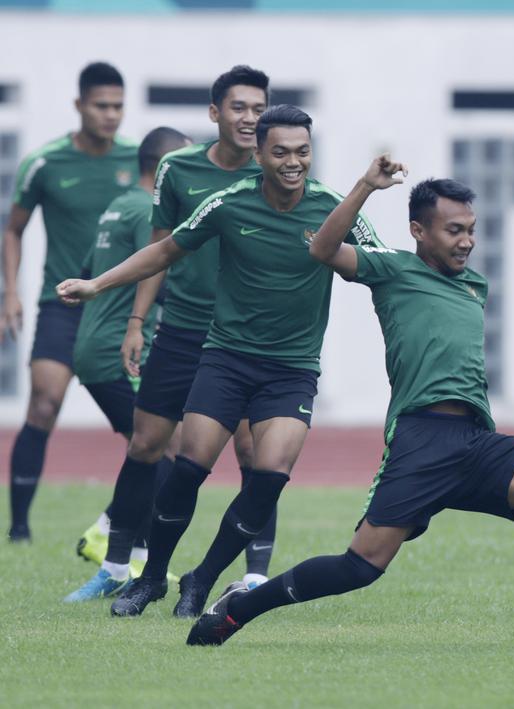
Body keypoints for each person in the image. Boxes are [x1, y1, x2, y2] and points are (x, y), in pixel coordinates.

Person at [184, 157, 514, 649]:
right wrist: (366, 185)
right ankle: (239, 610)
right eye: (453, 230)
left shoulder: (476, 285)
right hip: (419, 441)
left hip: (475, 439)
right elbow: (321, 248)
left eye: (471, 229)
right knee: (359, 568)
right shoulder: (391, 269)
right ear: (418, 231)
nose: (466, 240)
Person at [57, 105, 379, 618]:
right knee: (188, 468)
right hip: (226, 360)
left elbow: (383, 266)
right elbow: (164, 251)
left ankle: (201, 578)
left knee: (269, 475)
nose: (293, 162)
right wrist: (97, 284)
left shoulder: (332, 208)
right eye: (280, 152)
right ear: (259, 155)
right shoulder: (228, 203)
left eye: (302, 152)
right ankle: (149, 580)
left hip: (291, 369)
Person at [73, 65, 277, 591]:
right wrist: (137, 321)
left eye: (259, 108)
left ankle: (254, 577)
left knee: (254, 453)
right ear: (215, 113)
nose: (250, 118)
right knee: (145, 444)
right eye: (239, 107)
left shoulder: (272, 171)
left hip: (246, 336)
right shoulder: (178, 169)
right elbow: (160, 250)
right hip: (182, 329)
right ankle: (117, 567)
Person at [4, 62, 138, 543]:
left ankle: (116, 526)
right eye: (101, 105)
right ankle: (19, 528)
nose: (111, 115)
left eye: (118, 106)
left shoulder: (137, 162)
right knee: (43, 405)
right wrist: (11, 294)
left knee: (144, 426)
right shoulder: (45, 162)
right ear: (79, 105)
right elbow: (14, 229)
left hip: (120, 312)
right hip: (59, 305)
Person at [62, 126, 192, 601]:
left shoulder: (118, 204)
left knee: (157, 450)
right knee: (161, 452)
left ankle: (127, 552)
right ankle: (113, 545)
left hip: (96, 345)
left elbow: (88, 269)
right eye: (184, 163)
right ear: (163, 169)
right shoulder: (146, 213)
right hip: (122, 350)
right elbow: (159, 270)